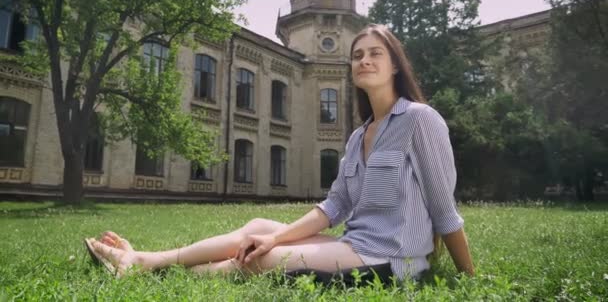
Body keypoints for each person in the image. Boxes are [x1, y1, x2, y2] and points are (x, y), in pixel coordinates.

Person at [87, 24, 474, 281]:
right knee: (258, 229)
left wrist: (469, 280)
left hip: (394, 260)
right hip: (354, 245)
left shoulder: (420, 120)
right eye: (357, 56)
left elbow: (444, 211)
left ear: (394, 66)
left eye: (375, 53)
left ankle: (151, 270)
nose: (364, 61)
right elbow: (334, 206)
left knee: (262, 260)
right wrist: (279, 236)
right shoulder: (359, 137)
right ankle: (146, 260)